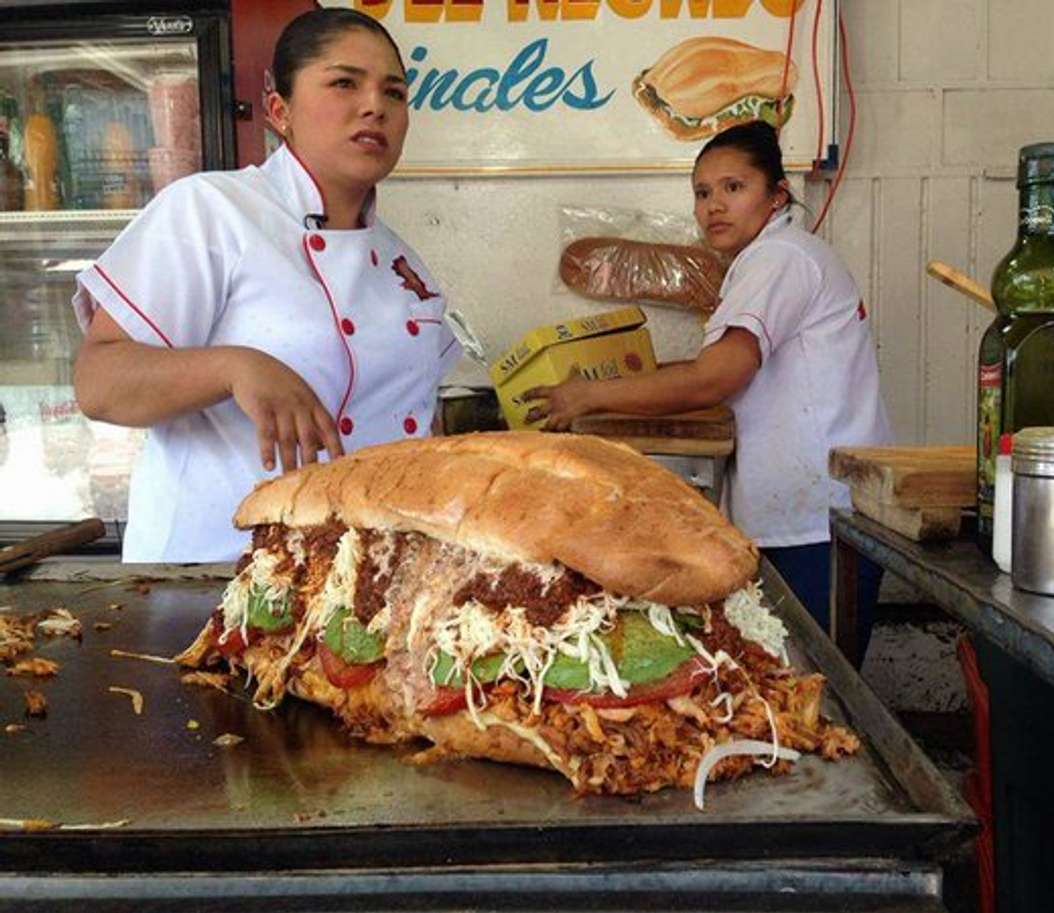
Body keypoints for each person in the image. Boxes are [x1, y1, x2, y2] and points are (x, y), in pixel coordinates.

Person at [71, 8, 459, 563]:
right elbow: (99, 383)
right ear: (280, 110)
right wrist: (234, 367)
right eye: (344, 82)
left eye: (394, 93)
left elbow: (420, 425)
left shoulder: (404, 267)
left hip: (360, 578)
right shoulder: (212, 210)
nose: (375, 105)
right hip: (207, 574)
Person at [523, 120, 892, 658]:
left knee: (814, 690)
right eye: (702, 192)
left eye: (733, 188)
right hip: (814, 516)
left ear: (776, 195)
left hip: (815, 523)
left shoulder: (779, 258)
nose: (713, 205)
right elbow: (714, 365)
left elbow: (717, 376)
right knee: (800, 688)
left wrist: (590, 396)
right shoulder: (774, 258)